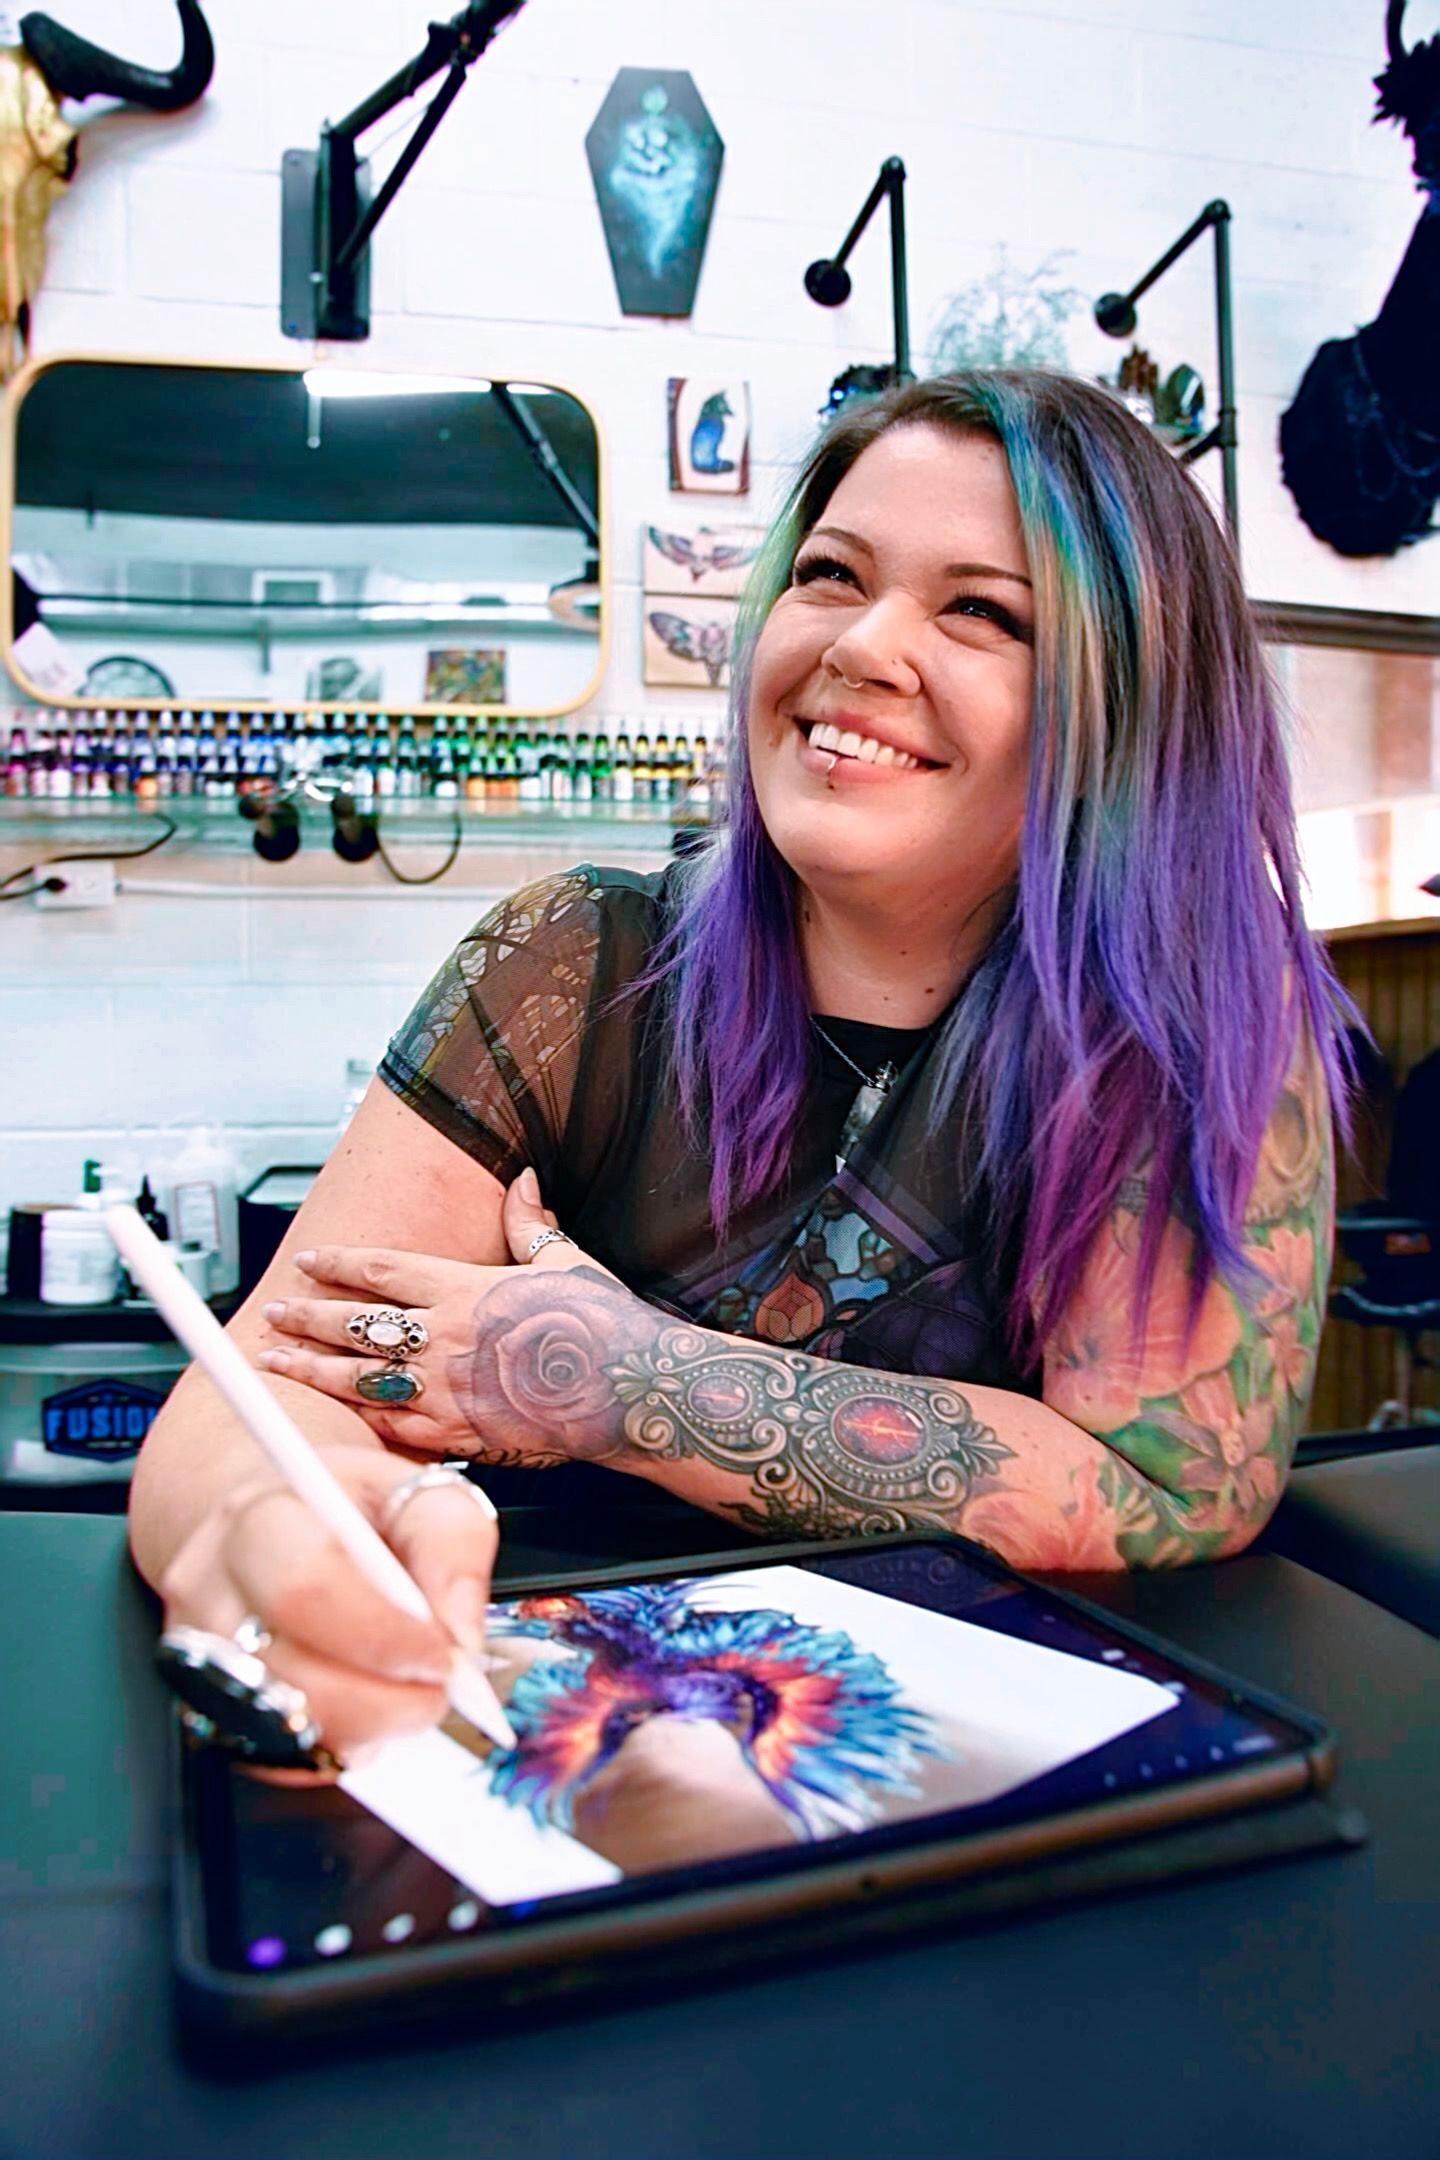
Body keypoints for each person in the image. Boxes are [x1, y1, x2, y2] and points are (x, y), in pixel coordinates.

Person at [130, 369, 1350, 1764]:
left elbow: (1173, 1491)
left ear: (1132, 709)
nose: (864, 645)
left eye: (982, 611)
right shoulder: (568, 962)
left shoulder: (1194, 1019)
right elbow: (264, 1395)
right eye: (831, 576)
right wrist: (273, 1534)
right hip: (535, 1729)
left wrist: (613, 1378)